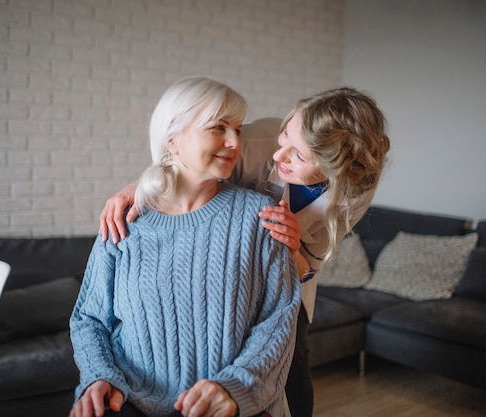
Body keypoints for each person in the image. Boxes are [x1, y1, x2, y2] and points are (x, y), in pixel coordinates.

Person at [98, 86, 391, 417]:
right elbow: (184, 171)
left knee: (290, 369)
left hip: (287, 282)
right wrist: (135, 188)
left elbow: (310, 264)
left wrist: (292, 250)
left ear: (333, 171)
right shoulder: (249, 142)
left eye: (297, 155)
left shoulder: (353, 191)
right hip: (219, 274)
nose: (279, 156)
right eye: (284, 139)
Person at [70, 76, 300, 417]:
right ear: (172, 140)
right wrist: (98, 377)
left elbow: (279, 318)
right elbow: (89, 319)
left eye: (237, 129)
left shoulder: (261, 216)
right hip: (129, 402)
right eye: (219, 127)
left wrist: (234, 387)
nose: (234, 141)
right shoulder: (124, 221)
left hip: (225, 405)